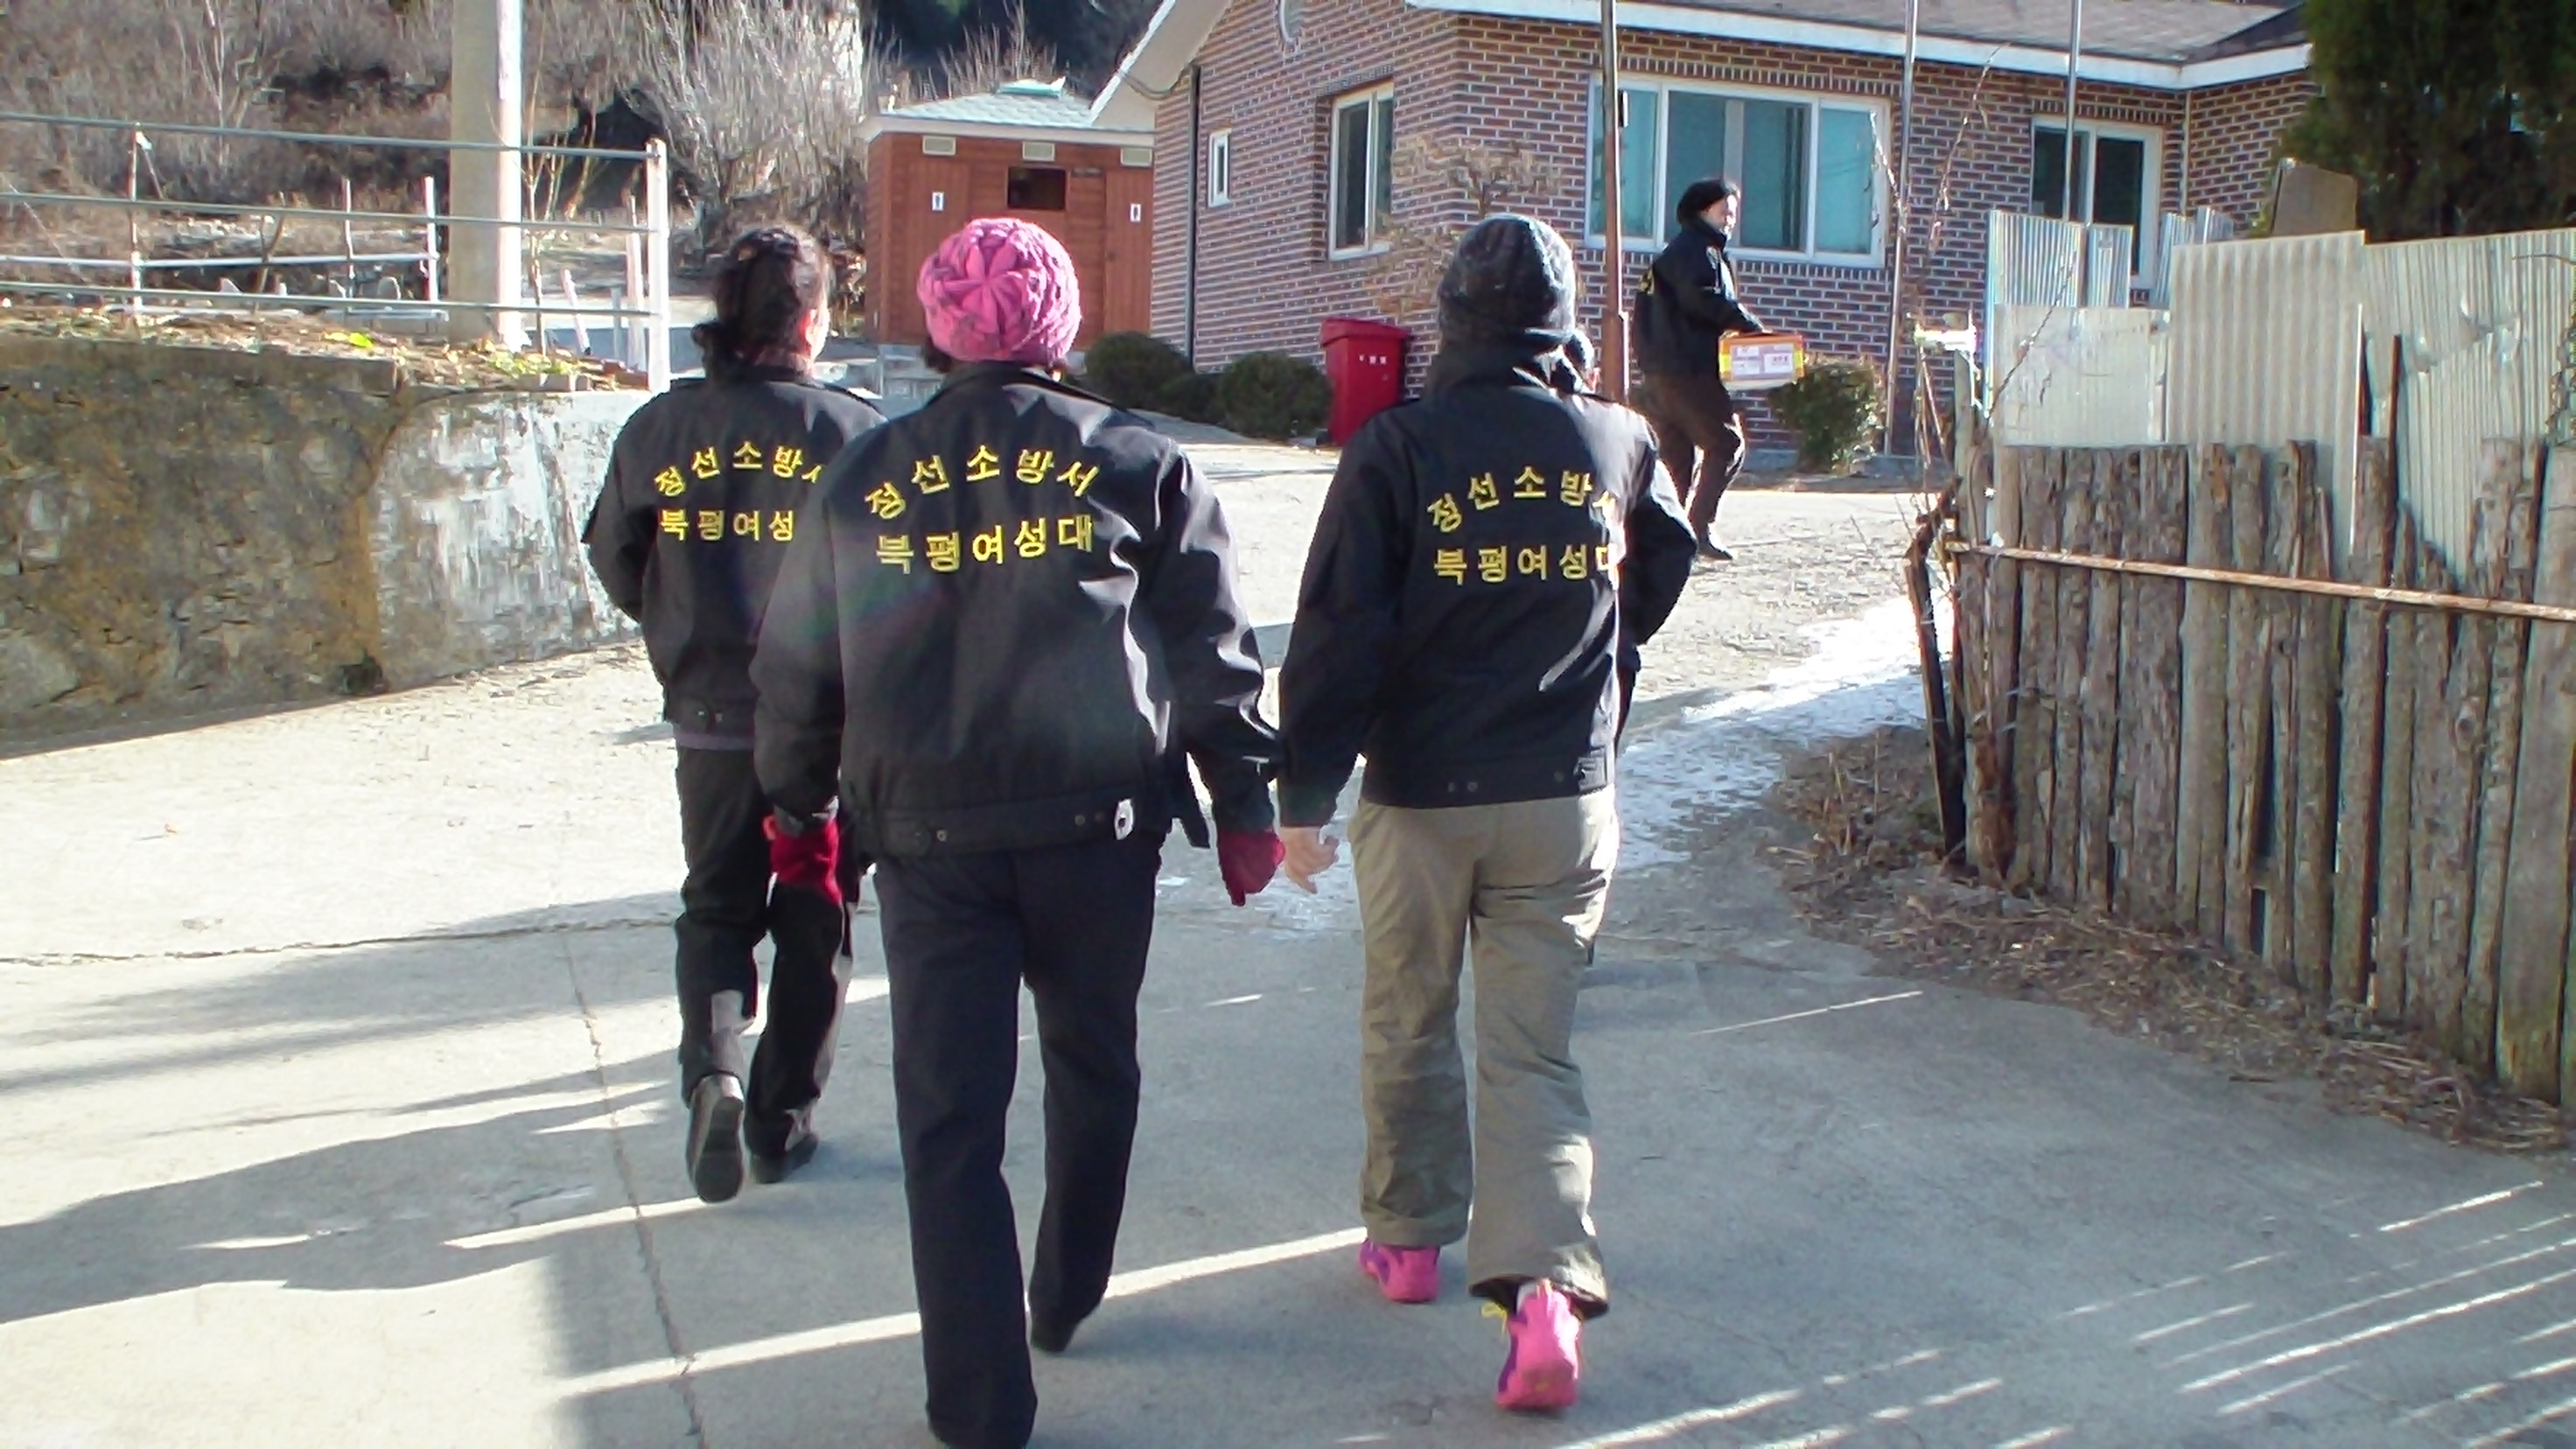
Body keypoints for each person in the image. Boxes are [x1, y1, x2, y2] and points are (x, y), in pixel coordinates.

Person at [750, 217, 1284, 1449]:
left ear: (940, 329)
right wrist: (1244, 800)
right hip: (1098, 834)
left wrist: (798, 811)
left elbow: (797, 667)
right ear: (1061, 325)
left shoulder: (868, 474)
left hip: (930, 844)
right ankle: (1066, 1290)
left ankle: (980, 1407)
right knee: (1094, 1063)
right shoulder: (1136, 460)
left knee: (950, 1121)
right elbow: (1213, 651)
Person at [1274, 215, 1697, 1414]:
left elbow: (1339, 633)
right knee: (1531, 1053)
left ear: (1452, 320)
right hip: (1564, 796)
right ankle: (1545, 1291)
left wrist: (1303, 795)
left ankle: (1408, 1244)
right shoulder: (1617, 437)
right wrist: (1602, 647)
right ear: (1558, 325)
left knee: (1407, 1015)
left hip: (1420, 796)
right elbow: (1666, 560)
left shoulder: (1398, 447)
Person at [584, 225, 886, 1205]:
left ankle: (712, 1069)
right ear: (810, 322)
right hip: (825, 734)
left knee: (715, 904)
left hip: (710, 719)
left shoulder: (660, 429)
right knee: (815, 916)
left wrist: (676, 618)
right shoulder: (853, 435)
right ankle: (779, 1122)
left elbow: (616, 558)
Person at [1632, 177, 1767, 561]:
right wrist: (1749, 325)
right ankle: (1698, 528)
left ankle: (1667, 536)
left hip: (1659, 372)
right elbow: (1703, 299)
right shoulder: (1698, 251)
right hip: (1689, 369)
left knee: (1679, 456)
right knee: (1727, 445)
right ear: (1702, 210)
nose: (1730, 220)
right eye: (1725, 211)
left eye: (1734, 214)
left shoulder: (1673, 254)